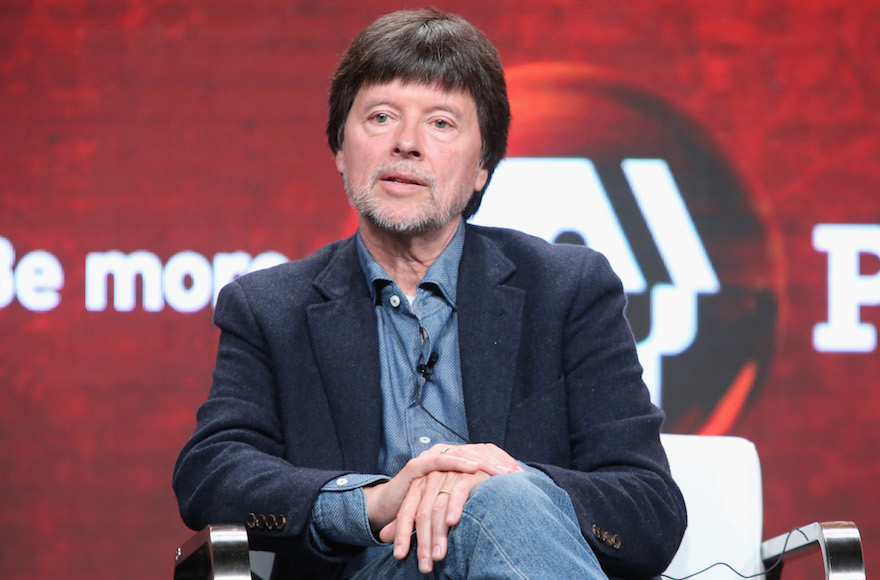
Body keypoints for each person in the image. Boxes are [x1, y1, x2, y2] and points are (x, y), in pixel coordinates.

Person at [173, 8, 687, 580]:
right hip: (371, 569)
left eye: (442, 123)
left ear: (482, 169)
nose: (407, 144)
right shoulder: (270, 307)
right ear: (341, 150)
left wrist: (514, 483)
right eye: (382, 116)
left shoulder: (567, 290)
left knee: (500, 499)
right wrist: (369, 503)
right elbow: (211, 474)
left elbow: (649, 508)